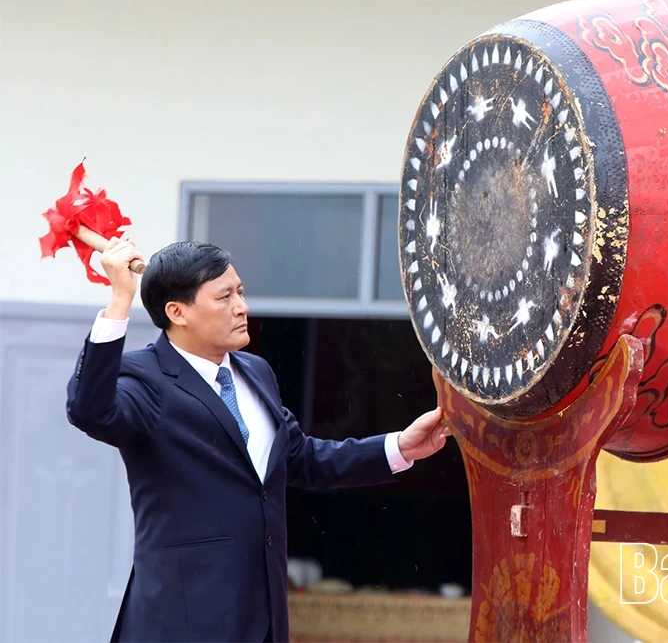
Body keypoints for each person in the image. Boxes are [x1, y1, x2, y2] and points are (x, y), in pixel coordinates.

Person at [66, 237, 451, 642]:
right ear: (177, 312)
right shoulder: (145, 378)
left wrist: (400, 447)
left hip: (263, 615)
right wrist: (120, 299)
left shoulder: (255, 371)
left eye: (241, 292)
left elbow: (301, 459)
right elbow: (90, 410)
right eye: (224, 296)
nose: (242, 307)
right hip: (181, 621)